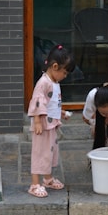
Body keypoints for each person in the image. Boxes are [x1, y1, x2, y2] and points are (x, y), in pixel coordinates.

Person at [27, 44, 75, 198]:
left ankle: (47, 179)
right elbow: (37, 101)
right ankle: (35, 184)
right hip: (42, 124)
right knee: (40, 152)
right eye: (64, 72)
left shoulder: (54, 82)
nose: (65, 76)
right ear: (55, 67)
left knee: (50, 152)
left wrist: (60, 112)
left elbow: (51, 103)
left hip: (51, 123)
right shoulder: (44, 82)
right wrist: (37, 121)